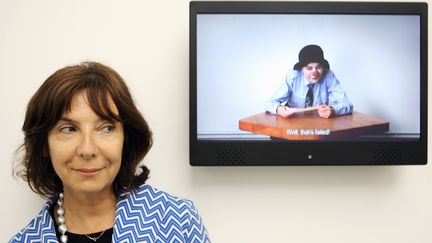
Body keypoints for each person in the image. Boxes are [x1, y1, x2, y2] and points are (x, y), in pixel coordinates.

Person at [10, 62, 210, 243]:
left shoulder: (177, 218)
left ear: (126, 138)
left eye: (106, 128)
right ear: (44, 143)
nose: (87, 150)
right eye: (69, 129)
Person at [265, 45, 353, 118]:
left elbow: (347, 104)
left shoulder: (329, 76)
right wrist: (278, 109)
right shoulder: (292, 76)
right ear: (301, 70)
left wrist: (333, 110)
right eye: (309, 68)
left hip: (319, 123)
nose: (315, 72)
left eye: (318, 67)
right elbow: (270, 103)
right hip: (293, 121)